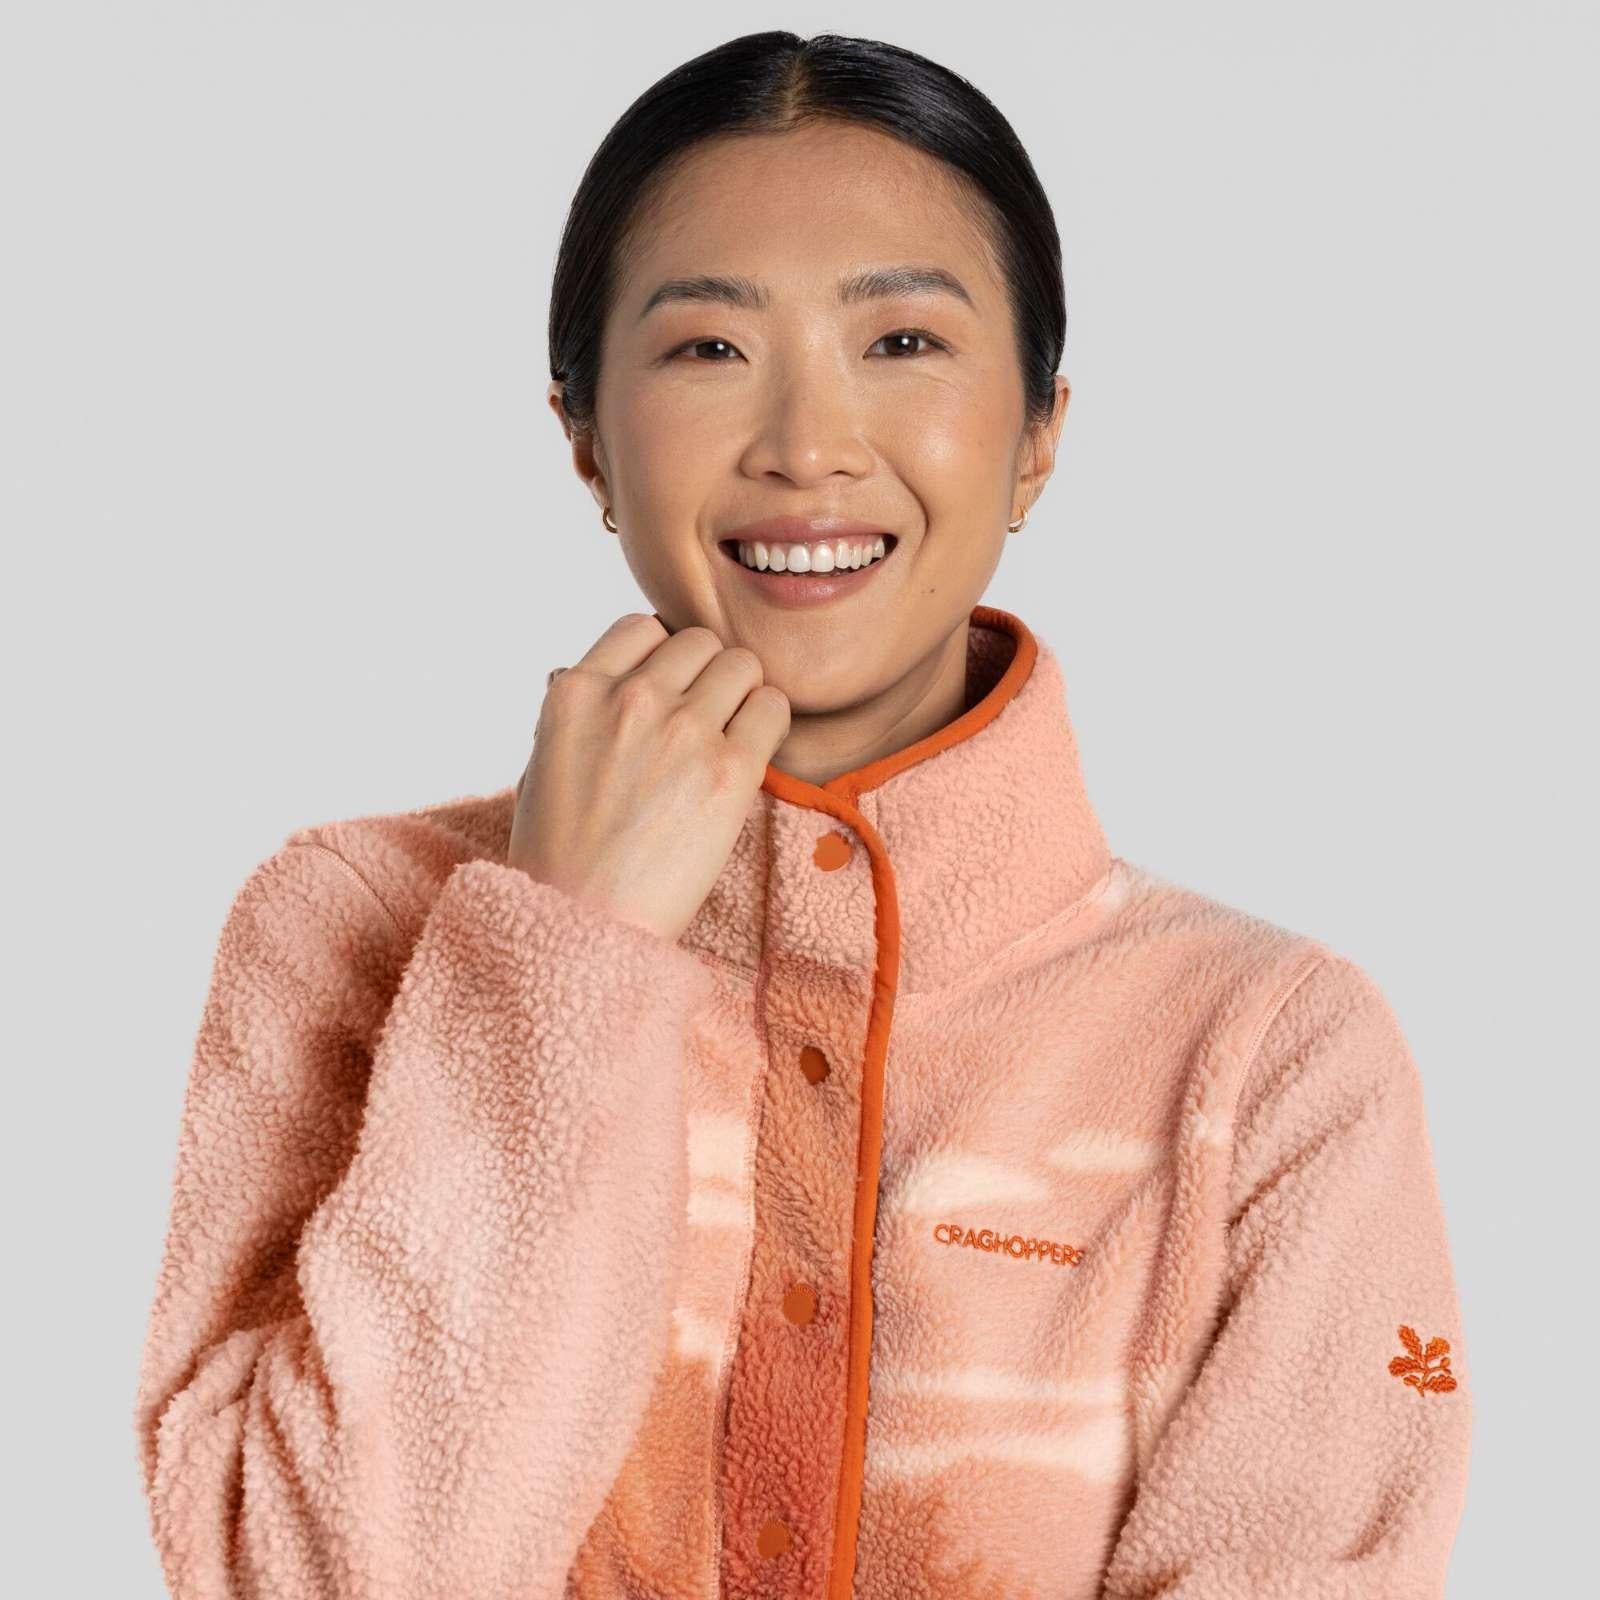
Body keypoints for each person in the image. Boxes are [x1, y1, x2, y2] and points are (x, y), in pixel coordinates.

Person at [132, 29, 1471, 1600]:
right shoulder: (351, 926)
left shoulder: (1269, 1055)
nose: (806, 447)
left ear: (1040, 432)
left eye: (902, 341)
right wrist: (563, 950)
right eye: (709, 349)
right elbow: (308, 1575)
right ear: (584, 437)